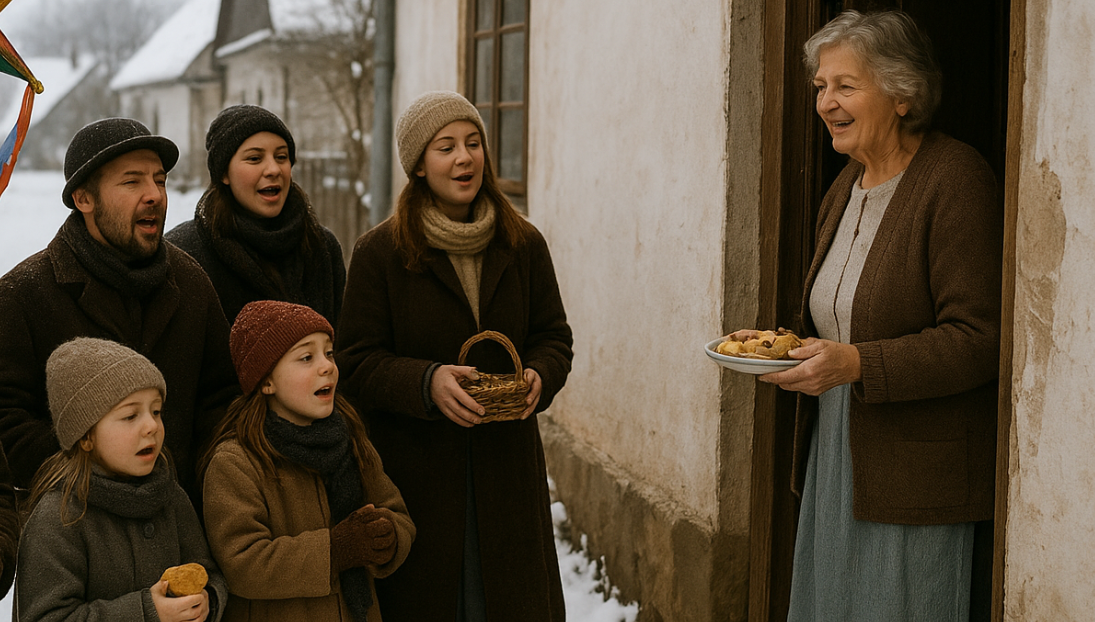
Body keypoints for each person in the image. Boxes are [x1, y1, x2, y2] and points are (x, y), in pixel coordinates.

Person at [755, 10, 1002, 622]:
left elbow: (981, 338)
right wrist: (785, 346)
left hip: (914, 472)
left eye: (845, 86)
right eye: (820, 87)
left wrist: (858, 363)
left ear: (900, 93)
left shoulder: (955, 178)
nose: (825, 102)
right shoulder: (846, 184)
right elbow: (837, 315)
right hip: (836, 450)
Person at [336, 91, 573, 621]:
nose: (464, 158)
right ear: (419, 165)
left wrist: (540, 374)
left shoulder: (523, 243)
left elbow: (554, 336)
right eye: (445, 147)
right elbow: (355, 361)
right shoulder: (381, 253)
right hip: (421, 474)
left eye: (473, 143)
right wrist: (426, 382)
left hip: (506, 469)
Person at [0, 118, 238, 505]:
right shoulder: (23, 295)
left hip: (181, 527)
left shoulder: (191, 281)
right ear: (84, 199)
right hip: (74, 532)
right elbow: (7, 423)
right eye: (132, 182)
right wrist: (97, 473)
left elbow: (223, 400)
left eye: (159, 180)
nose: (155, 195)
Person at [202, 300, 415, 621]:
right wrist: (335, 550)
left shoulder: (352, 439)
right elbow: (241, 563)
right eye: (306, 357)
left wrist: (388, 538)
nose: (327, 365)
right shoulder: (236, 461)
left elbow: (397, 513)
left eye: (329, 353)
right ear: (266, 381)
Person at [16, 338, 227, 622]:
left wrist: (208, 600)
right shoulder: (59, 517)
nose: (152, 426)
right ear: (87, 437)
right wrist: (146, 612)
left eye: (156, 411)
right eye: (130, 416)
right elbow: (46, 617)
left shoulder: (171, 497)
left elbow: (208, 572)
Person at [166, 105, 346, 327]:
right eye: (254, 158)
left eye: (281, 156)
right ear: (224, 173)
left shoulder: (322, 247)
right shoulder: (184, 254)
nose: (273, 169)